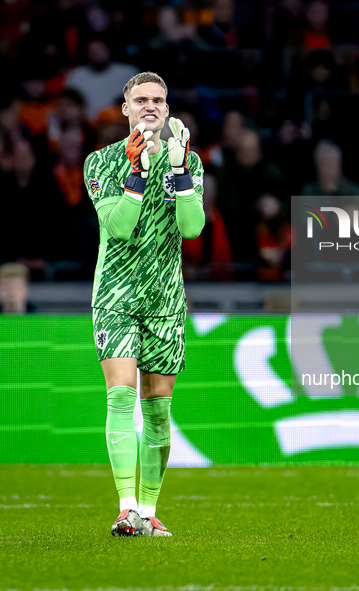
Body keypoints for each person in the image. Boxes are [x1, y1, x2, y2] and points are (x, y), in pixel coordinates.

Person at [83, 72, 205, 537]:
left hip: (166, 299)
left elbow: (192, 229)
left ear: (168, 110)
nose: (150, 106)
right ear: (126, 109)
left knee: (157, 410)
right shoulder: (102, 161)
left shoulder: (188, 160)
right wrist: (136, 175)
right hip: (116, 294)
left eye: (158, 100)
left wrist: (179, 173)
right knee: (120, 395)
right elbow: (118, 227)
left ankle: (149, 511)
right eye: (141, 99)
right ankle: (125, 506)